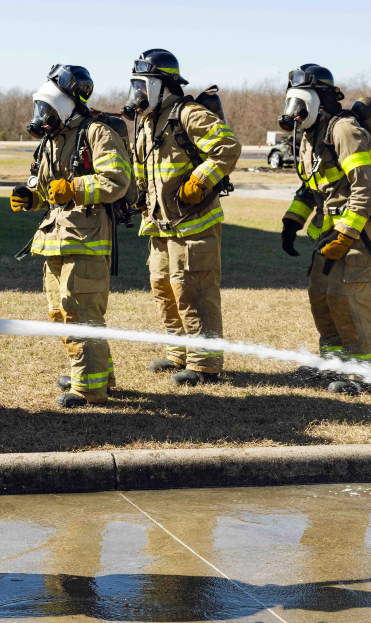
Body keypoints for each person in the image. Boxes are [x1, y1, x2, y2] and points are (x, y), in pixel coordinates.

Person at [10, 64, 131, 408]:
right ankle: (96, 375)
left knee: (80, 313)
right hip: (54, 240)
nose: (42, 116)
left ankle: (89, 389)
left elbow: (116, 181)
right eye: (40, 109)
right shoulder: (53, 140)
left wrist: (75, 187)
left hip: (87, 240)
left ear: (66, 105)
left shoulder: (97, 133)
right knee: (59, 315)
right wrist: (32, 197)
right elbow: (49, 190)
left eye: (47, 108)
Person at [123, 49, 240, 385]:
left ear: (162, 84)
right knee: (164, 289)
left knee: (194, 291)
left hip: (194, 224)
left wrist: (198, 181)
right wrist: (138, 198)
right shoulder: (147, 122)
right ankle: (179, 352)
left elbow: (227, 147)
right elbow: (143, 167)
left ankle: (205, 364)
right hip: (161, 225)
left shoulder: (189, 113)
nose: (138, 93)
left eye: (142, 85)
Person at [278, 64, 371, 394]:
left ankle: (362, 372)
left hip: (359, 228)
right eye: (290, 104)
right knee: (322, 297)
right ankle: (333, 364)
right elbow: (311, 187)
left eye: (298, 104)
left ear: (317, 100)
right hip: (329, 230)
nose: (293, 112)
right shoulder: (310, 137)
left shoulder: (344, 130)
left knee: (348, 298)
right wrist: (293, 221)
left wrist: (347, 232)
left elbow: (366, 187)